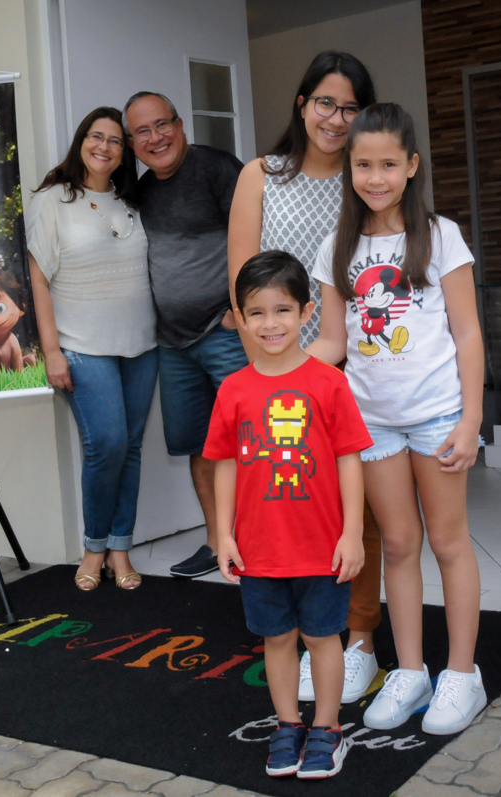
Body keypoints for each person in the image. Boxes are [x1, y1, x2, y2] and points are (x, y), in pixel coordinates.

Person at [309, 103, 487, 735]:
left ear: (412, 166)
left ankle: (462, 675)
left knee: (447, 541)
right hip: (372, 423)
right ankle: (410, 672)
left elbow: (467, 333)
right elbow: (333, 342)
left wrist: (470, 421)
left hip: (436, 415)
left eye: (388, 164)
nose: (375, 177)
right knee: (401, 546)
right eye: (363, 164)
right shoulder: (338, 246)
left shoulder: (441, 235)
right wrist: (279, 377)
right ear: (348, 168)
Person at [228, 50, 384, 706]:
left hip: (358, 368)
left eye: (350, 107)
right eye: (325, 102)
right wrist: (267, 370)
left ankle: (360, 641)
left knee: (359, 507)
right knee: (288, 500)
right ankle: (293, 631)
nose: (336, 118)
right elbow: (240, 280)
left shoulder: (365, 182)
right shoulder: (262, 174)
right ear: (301, 103)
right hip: (276, 368)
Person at [205, 251, 371, 779]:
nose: (270, 323)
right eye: (256, 312)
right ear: (240, 317)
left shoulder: (328, 382)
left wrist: (353, 534)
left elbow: (349, 461)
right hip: (259, 549)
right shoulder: (233, 389)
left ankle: (327, 728)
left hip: (322, 546)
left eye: (282, 310)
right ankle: (286, 724)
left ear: (306, 313)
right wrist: (223, 535)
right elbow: (225, 465)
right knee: (275, 639)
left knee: (323, 637)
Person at [27, 107, 157, 591]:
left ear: (125, 152)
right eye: (95, 137)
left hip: (142, 343)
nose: (104, 147)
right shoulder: (53, 200)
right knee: (106, 444)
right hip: (81, 344)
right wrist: (51, 350)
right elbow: (39, 278)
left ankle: (121, 549)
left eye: (115, 141)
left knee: (133, 447)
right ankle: (93, 547)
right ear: (81, 141)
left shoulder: (131, 202)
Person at [125, 90, 248, 579]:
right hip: (172, 345)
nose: (156, 138)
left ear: (181, 124)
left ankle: (260, 541)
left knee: (252, 441)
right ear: (133, 143)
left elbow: (258, 235)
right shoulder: (141, 193)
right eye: (143, 131)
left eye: (163, 124)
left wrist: (241, 311)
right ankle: (219, 543)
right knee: (201, 446)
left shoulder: (218, 169)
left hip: (226, 335)